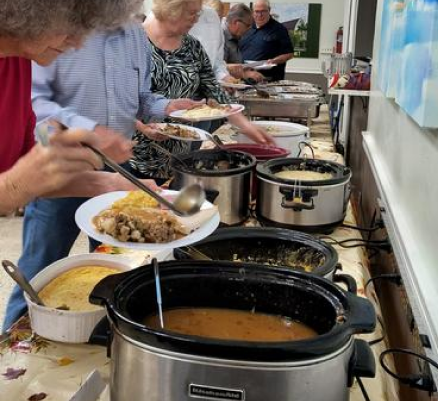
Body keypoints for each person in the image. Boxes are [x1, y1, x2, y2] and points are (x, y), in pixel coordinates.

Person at [3, 23, 200, 331]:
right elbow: (38, 112)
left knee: (112, 265)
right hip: (53, 164)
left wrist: (114, 183)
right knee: (40, 267)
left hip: (108, 168)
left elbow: (141, 97)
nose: (76, 43)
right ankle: (13, 343)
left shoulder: (134, 33)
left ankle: (98, 331)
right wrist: (88, 132)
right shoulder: (32, 46)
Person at [0, 0, 145, 217]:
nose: (77, 44)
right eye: (69, 27)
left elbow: (29, 172)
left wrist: (110, 184)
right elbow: (18, 181)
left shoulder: (19, 60)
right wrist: (15, 187)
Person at [130, 0, 275, 181]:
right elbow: (116, 103)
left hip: (180, 154)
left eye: (198, 13)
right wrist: (142, 127)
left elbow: (214, 90)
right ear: (171, 10)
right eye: (192, 13)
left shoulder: (192, 46)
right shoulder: (132, 43)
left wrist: (245, 125)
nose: (196, 20)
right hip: (132, 156)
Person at [239, 0, 294, 81]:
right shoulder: (247, 27)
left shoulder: (279, 29)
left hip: (268, 80)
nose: (260, 15)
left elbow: (289, 54)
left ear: (269, 10)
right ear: (252, 12)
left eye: (263, 11)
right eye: (257, 11)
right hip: (244, 78)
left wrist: (274, 61)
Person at [223, 3, 265, 82]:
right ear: (236, 22)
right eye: (247, 25)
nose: (249, 30)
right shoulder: (219, 35)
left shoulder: (235, 36)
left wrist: (247, 70)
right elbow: (215, 68)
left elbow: (235, 64)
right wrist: (245, 74)